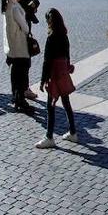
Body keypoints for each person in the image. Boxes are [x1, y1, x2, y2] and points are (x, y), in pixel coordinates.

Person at [37, 8, 78, 148]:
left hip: (54, 73)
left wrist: (43, 80)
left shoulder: (51, 37)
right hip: (63, 72)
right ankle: (73, 132)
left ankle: (49, 136)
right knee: (66, 103)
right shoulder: (64, 36)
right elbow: (67, 55)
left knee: (50, 106)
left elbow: (46, 61)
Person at [2, 0, 33, 113]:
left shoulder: (9, 5)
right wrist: (26, 27)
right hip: (19, 45)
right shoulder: (15, 8)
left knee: (16, 73)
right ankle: (20, 99)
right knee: (21, 73)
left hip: (14, 45)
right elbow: (25, 27)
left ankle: (16, 96)